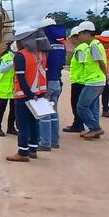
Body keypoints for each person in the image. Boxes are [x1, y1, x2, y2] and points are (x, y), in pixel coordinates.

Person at [6, 30, 48, 162]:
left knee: (22, 124)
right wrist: (38, 94)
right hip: (39, 93)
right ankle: (32, 149)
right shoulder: (40, 54)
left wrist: (29, 95)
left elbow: (21, 78)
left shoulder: (20, 56)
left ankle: (22, 152)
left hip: (24, 95)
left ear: (23, 41)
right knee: (34, 122)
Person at [75, 21, 108, 139]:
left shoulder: (94, 45)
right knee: (92, 106)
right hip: (96, 80)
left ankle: (95, 128)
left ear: (86, 33)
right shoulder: (95, 44)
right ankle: (94, 129)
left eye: (80, 34)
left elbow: (101, 63)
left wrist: (107, 76)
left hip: (94, 81)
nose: (78, 37)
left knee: (81, 106)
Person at [38, 18, 67, 150]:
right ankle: (55, 140)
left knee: (44, 114)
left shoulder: (46, 45)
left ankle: (45, 142)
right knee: (54, 112)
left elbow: (43, 65)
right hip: (57, 82)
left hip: (47, 82)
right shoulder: (62, 45)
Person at [63, 26, 86, 133]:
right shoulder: (82, 48)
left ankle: (78, 124)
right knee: (77, 104)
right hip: (80, 80)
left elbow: (84, 65)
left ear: (76, 37)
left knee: (76, 104)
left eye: (71, 38)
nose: (70, 40)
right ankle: (78, 123)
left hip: (80, 81)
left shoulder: (80, 49)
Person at [0, 41, 17, 137]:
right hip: (4, 88)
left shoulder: (18, 57)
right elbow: (2, 69)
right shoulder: (6, 58)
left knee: (13, 109)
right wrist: (13, 62)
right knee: (1, 109)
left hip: (13, 88)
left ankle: (11, 128)